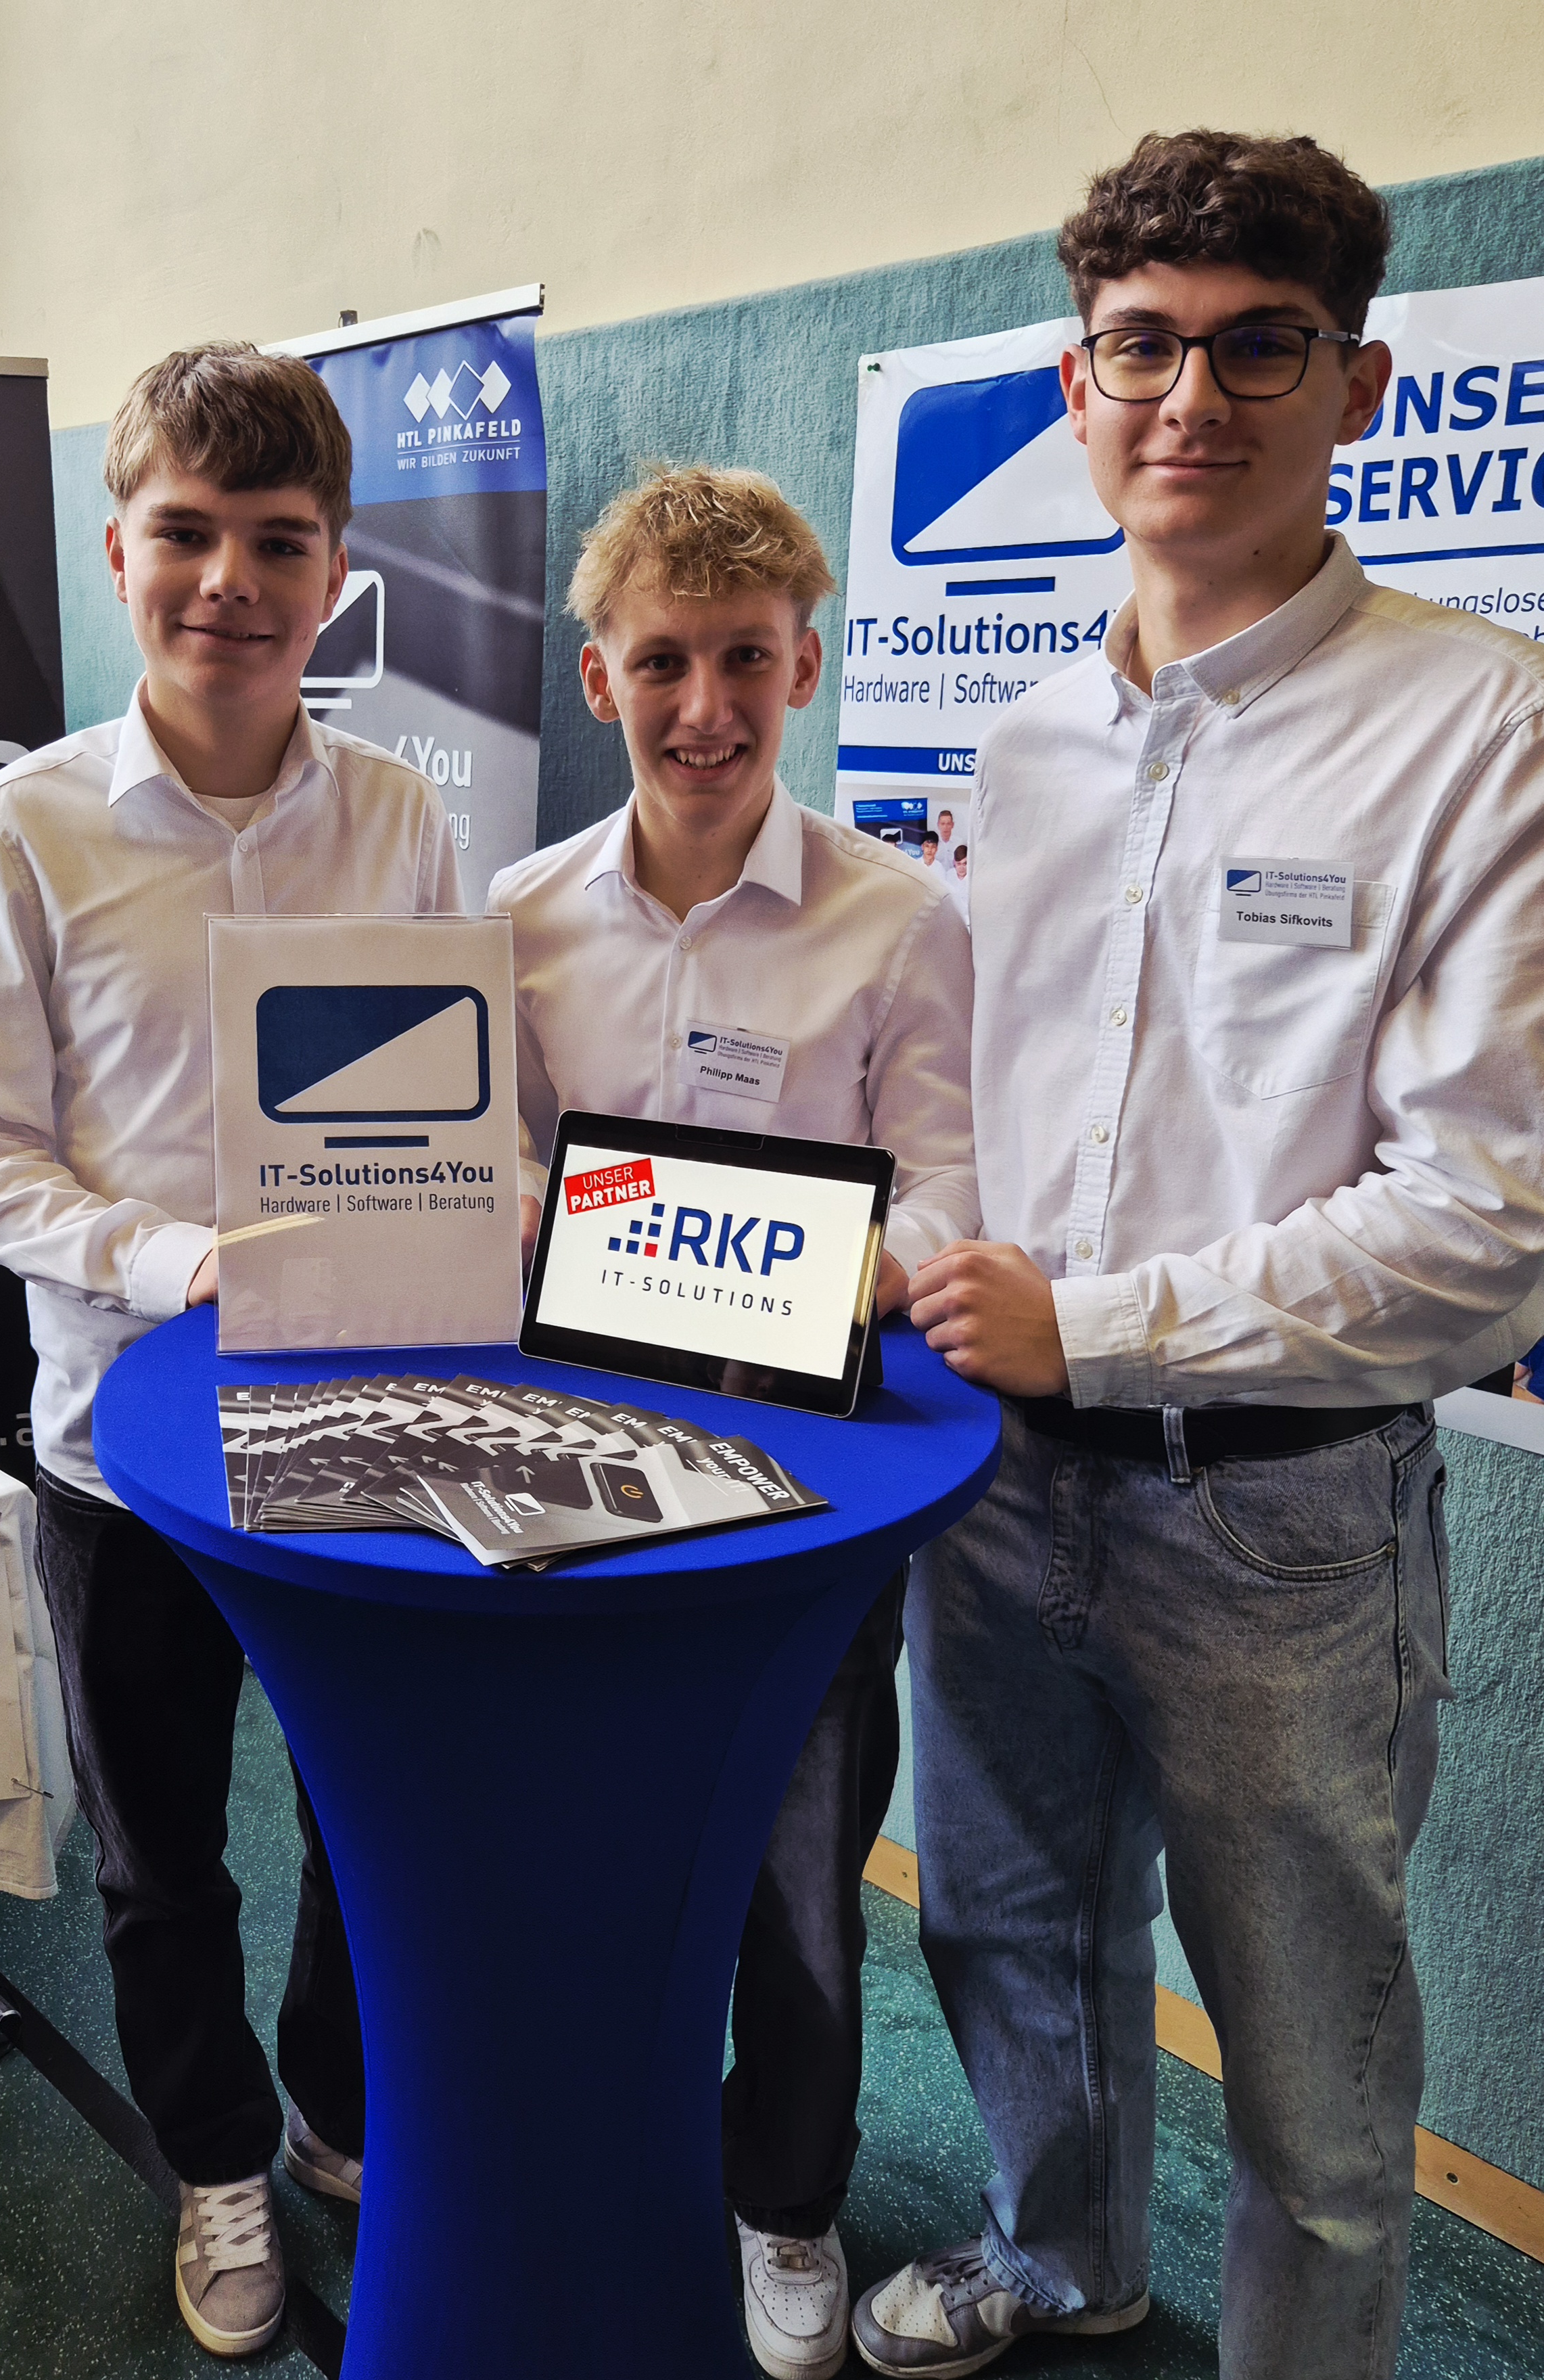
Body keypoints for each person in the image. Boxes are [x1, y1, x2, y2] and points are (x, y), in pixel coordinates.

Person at [852, 129, 1544, 2380]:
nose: (1193, 398)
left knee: (1313, 2082)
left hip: (1283, 1527)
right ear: (1078, 384)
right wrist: (899, 1250)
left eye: (1262, 347)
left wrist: (1096, 1324)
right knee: (1008, 1943)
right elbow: (973, 1113)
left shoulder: (1483, 725)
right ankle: (1067, 2264)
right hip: (1001, 1492)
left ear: (1359, 387)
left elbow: (1491, 1227)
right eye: (1143, 346)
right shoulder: (1026, 747)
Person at [0, 342, 463, 2359]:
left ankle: (333, 2113)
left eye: (279, 541)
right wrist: (174, 1258)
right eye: (189, 533)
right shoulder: (29, 830)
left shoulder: (399, 817)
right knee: (159, 1856)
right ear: (119, 547)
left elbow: (455, 1099)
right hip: (123, 1448)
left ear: (337, 575)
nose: (231, 579)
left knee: (363, 1823)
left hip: (356, 1419)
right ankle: (216, 2164)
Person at [488, 464, 978, 2379]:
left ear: (808, 666)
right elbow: (488, 1181)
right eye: (665, 663)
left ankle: (785, 2197)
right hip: (575, 1480)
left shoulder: (899, 920)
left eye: (748, 661)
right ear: (597, 678)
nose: (707, 709)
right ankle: (605, 2142)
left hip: (805, 1495)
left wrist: (819, 1277)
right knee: (584, 1850)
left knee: (798, 1880)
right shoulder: (517, 921)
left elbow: (949, 1192)